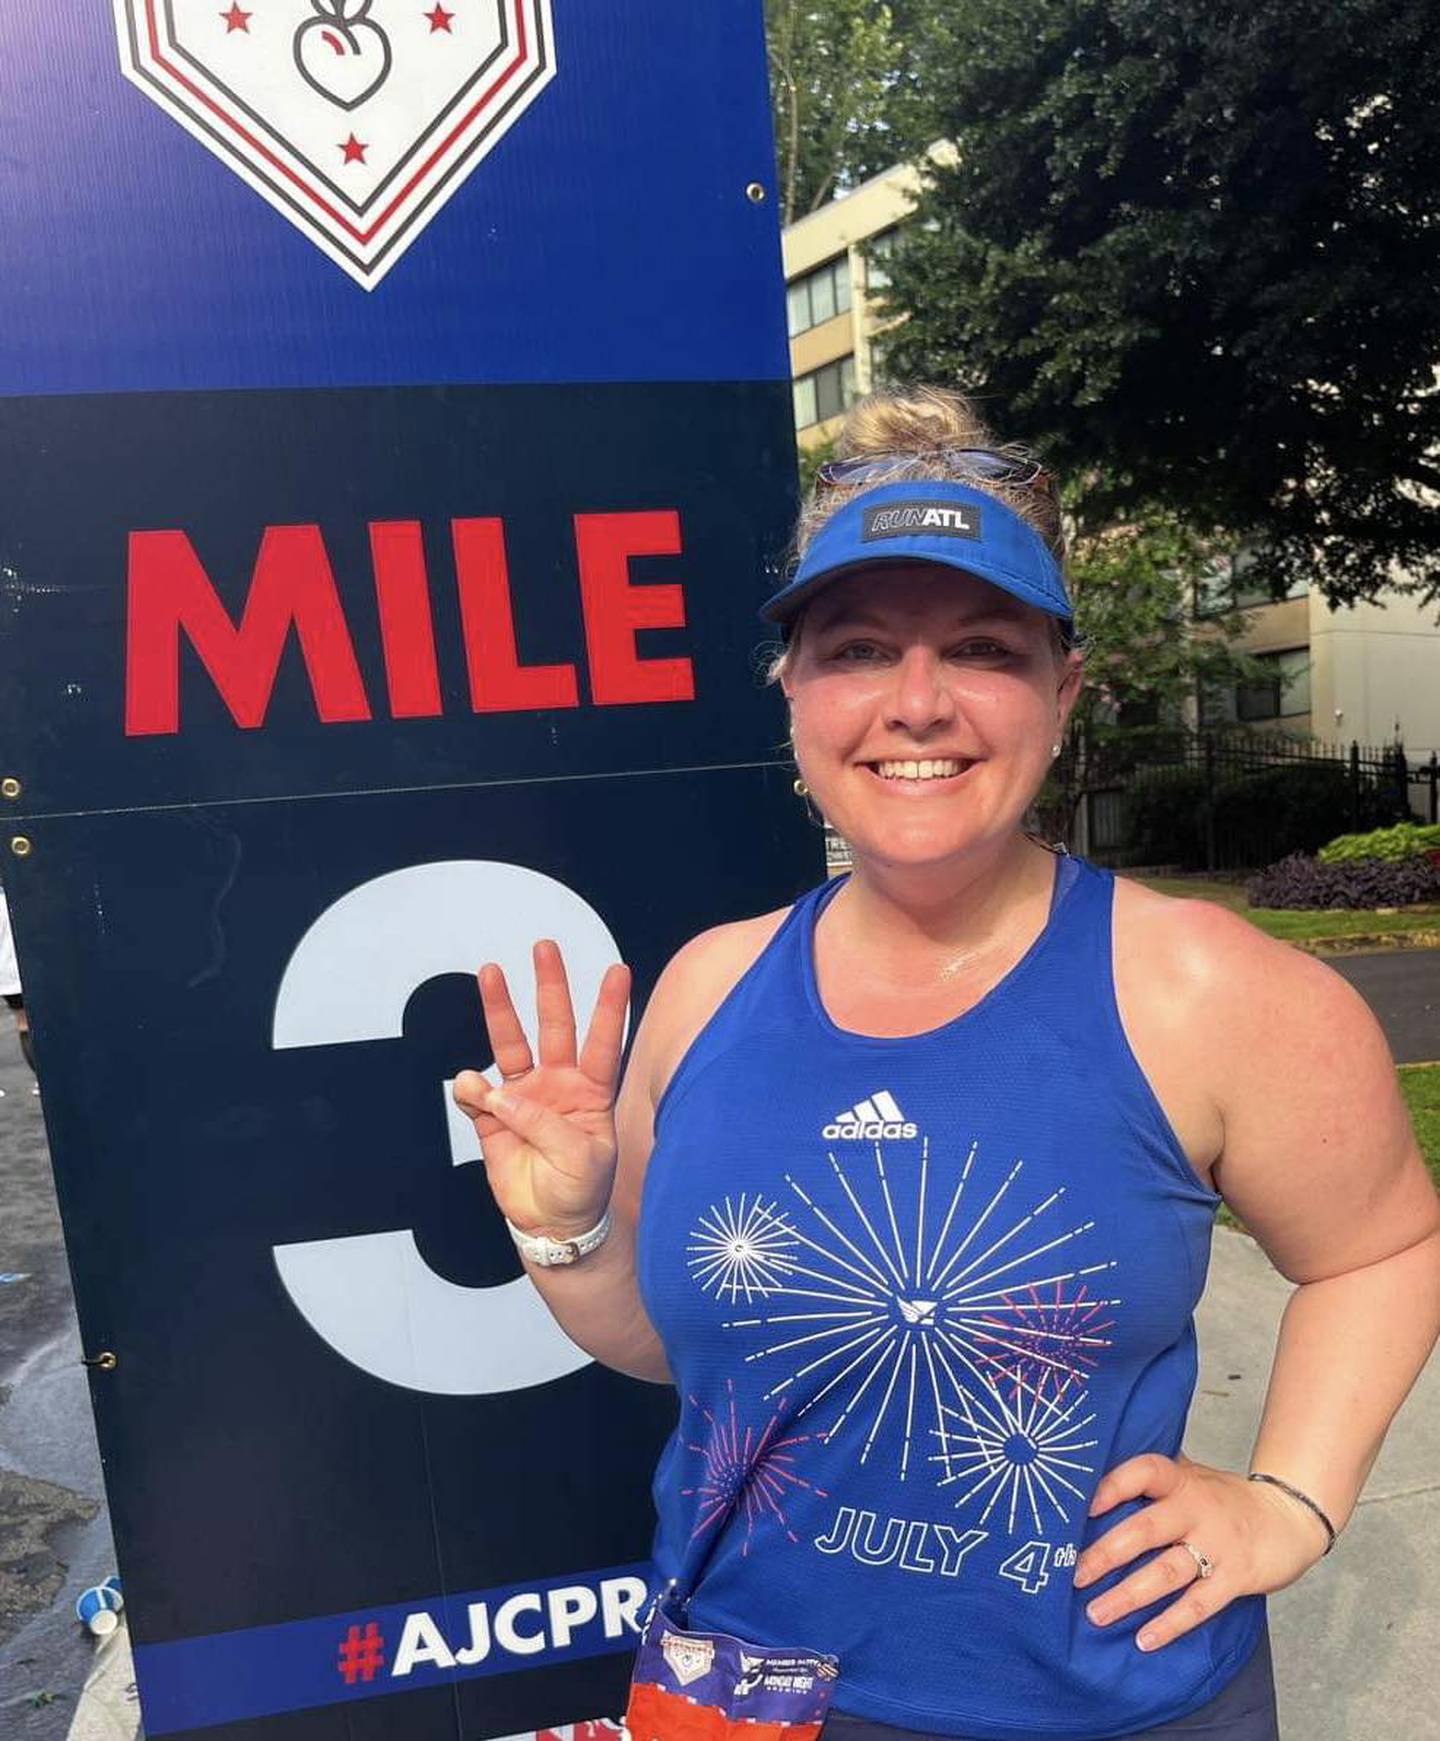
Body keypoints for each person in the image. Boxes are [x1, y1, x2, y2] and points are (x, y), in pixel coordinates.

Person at [453, 386, 1440, 1740]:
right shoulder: (705, 989)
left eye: (979, 646)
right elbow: (669, 1346)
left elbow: (1379, 1248)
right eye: (858, 648)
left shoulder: (1214, 991)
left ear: (1062, 686)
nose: (917, 705)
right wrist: (563, 1228)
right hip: (736, 1694)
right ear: (793, 687)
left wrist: (1292, 1500)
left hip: (1100, 1708)